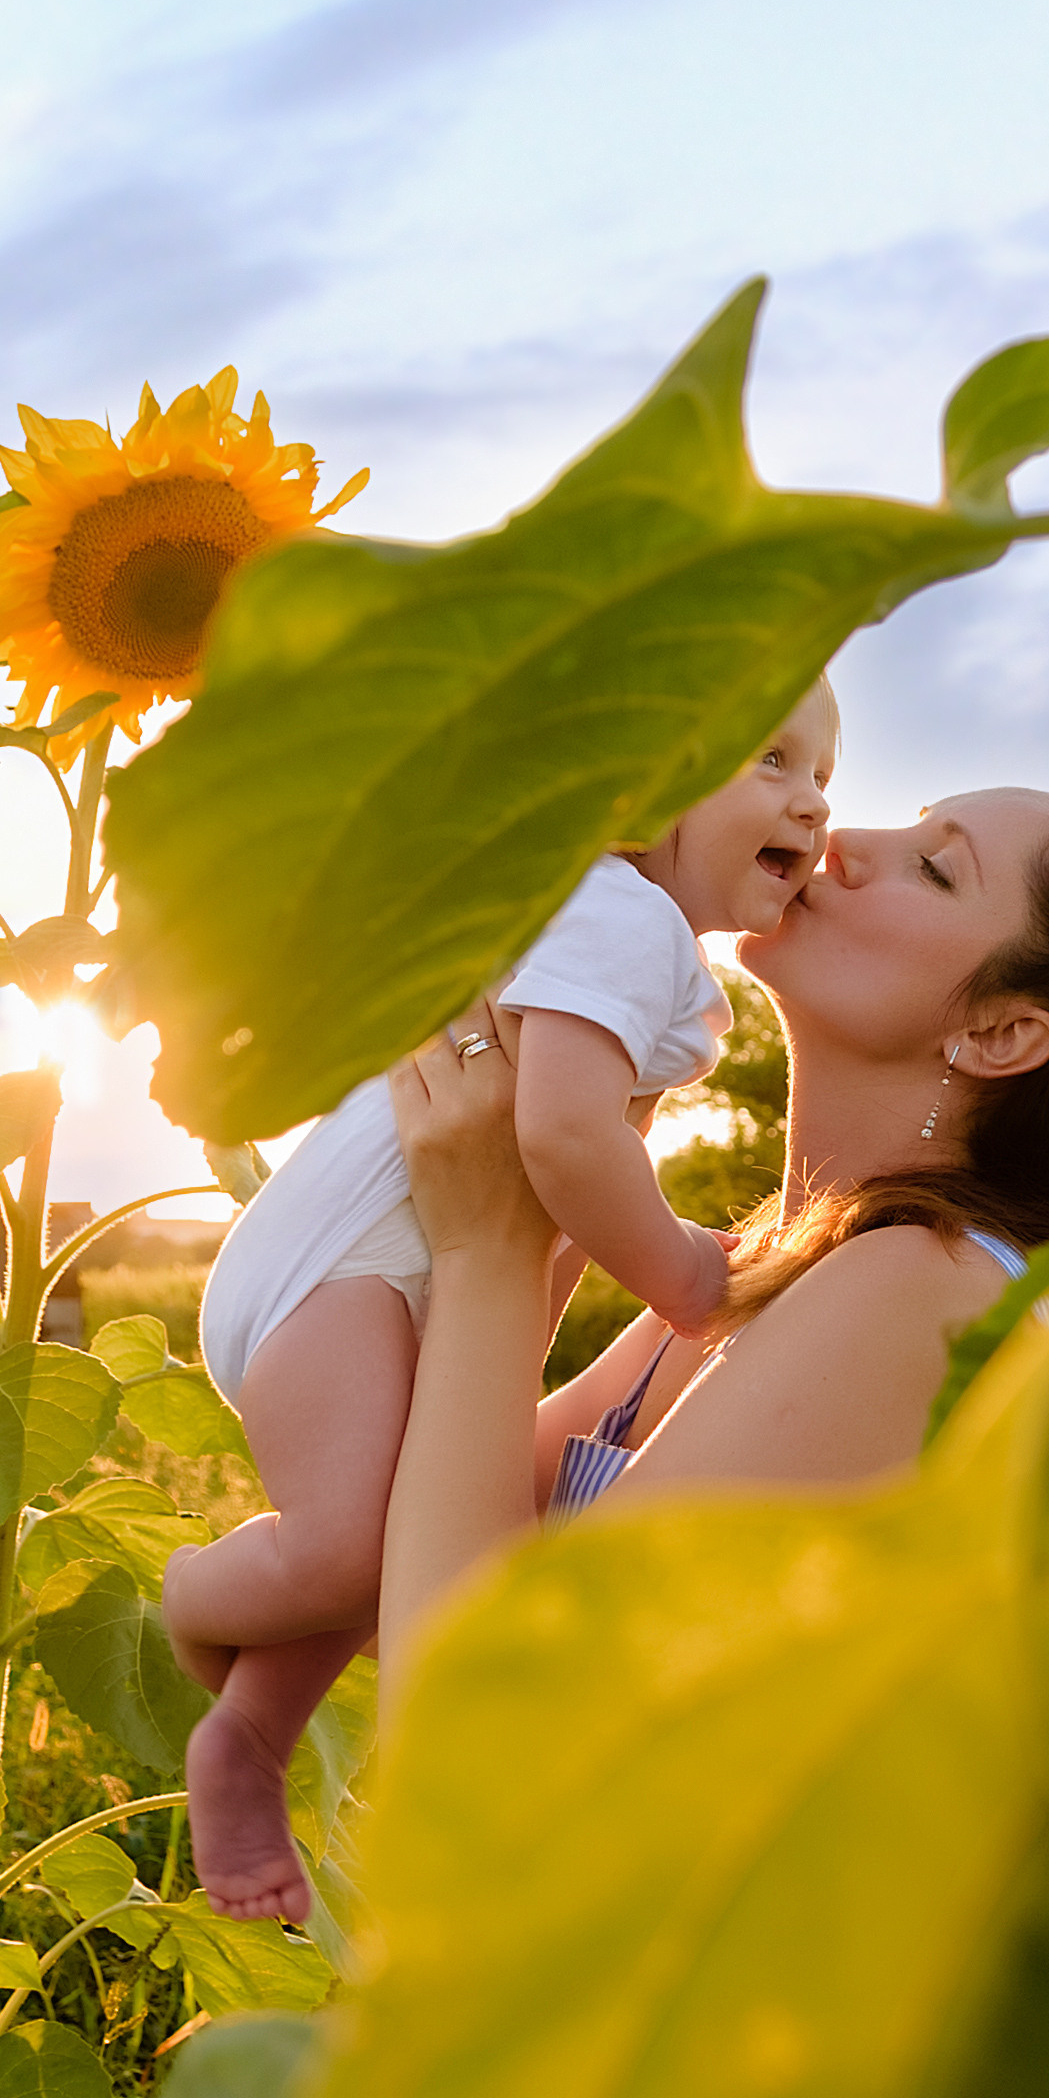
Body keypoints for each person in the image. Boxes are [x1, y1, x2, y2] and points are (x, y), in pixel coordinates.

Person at [167, 679, 839, 1921]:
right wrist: (685, 1271)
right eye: (773, 759)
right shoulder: (616, 911)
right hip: (341, 1274)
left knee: (406, 1521)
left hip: (407, 1273)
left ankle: (248, 1737)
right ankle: (192, 1595)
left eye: (825, 774)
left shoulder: (643, 943)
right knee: (353, 1546)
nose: (814, 801)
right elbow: (565, 1136)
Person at [375, 782, 1049, 1716]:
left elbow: (471, 1729)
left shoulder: (923, 1287)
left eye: (933, 868)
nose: (844, 838)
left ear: (998, 1032)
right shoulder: (747, 1269)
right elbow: (395, 1560)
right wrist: (558, 1172)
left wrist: (489, 1247)